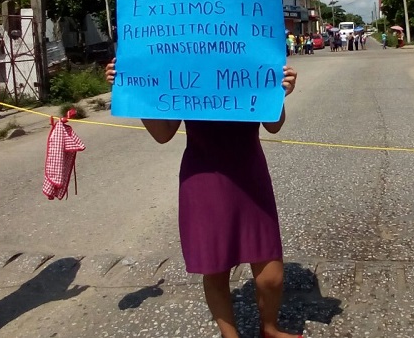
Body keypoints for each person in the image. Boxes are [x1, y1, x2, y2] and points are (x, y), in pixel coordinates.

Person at [105, 60, 301, 338]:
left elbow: (273, 125)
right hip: (204, 179)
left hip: (250, 174)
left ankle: (269, 328)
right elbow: (163, 133)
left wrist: (280, 91)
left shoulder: (249, 56)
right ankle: (229, 334)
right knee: (216, 267)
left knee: (272, 275)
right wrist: (131, 87)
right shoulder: (180, 67)